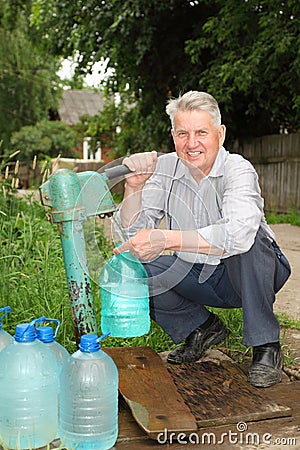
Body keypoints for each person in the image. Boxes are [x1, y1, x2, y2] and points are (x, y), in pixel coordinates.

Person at [113, 91, 291, 388]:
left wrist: (167, 239)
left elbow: (238, 234)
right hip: (197, 272)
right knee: (131, 264)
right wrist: (133, 189)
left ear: (220, 134)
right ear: (173, 135)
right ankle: (200, 329)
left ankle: (266, 345)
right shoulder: (165, 169)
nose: (191, 143)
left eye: (201, 132)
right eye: (183, 133)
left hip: (248, 274)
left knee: (248, 240)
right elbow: (133, 235)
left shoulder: (237, 169)